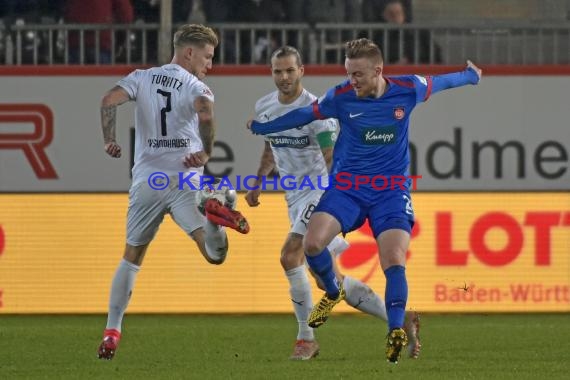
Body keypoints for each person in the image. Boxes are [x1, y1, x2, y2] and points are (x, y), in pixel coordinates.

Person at [248, 38, 482, 363]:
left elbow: (443, 82)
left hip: (390, 191)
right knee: (312, 245)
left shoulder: (407, 89)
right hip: (348, 189)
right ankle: (333, 291)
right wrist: (265, 126)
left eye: (357, 74)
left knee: (393, 258)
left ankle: (396, 329)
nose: (351, 81)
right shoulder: (341, 97)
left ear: (378, 71)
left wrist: (471, 75)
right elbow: (303, 114)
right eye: (348, 73)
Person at [97, 24, 250, 360]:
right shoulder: (197, 87)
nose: (209, 65)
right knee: (214, 255)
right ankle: (212, 217)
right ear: (189, 52)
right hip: (186, 182)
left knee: (132, 256)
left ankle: (112, 332)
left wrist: (109, 139)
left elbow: (109, 99)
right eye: (207, 57)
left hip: (147, 182)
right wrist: (207, 153)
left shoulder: (141, 77)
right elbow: (206, 114)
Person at [64, 0, 134, 64]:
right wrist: (120, 41)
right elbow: (125, 14)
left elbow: (62, 8)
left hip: (76, 40)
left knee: (76, 75)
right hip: (101, 40)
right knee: (102, 75)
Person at [378, 0, 442, 64]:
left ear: (404, 15)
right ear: (384, 16)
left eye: (398, 13)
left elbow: (436, 56)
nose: (395, 17)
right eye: (391, 14)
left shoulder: (421, 34)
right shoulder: (379, 39)